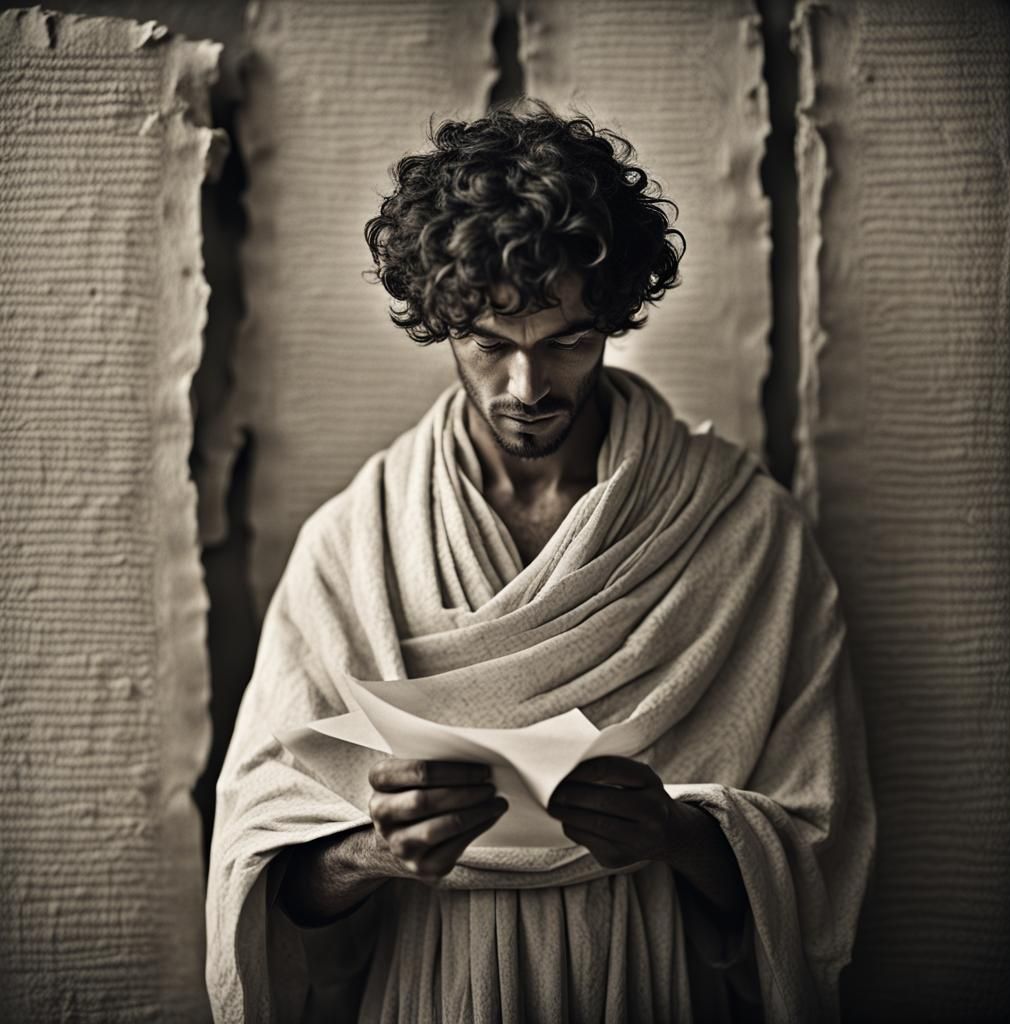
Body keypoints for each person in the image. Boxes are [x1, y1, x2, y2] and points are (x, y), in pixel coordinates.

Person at [206, 101, 875, 1023]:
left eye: (568, 341)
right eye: (489, 343)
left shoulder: (741, 531)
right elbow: (261, 860)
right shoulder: (357, 544)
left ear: (614, 317)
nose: (527, 389)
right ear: (441, 322)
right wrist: (376, 851)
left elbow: (819, 852)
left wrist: (676, 833)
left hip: (651, 984)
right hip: (431, 990)